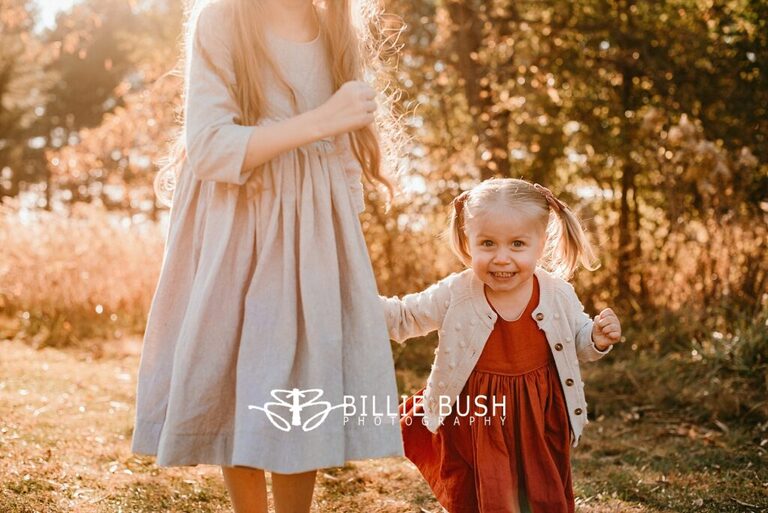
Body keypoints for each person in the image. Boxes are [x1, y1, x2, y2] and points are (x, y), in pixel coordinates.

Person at [130, 1, 404, 511]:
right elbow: (209, 146)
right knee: (242, 377)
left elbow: (345, 156)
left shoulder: (334, 26)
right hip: (236, 225)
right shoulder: (224, 19)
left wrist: (340, 248)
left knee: (300, 381)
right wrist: (320, 120)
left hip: (310, 234)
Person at [380, 178, 623, 513]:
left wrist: (595, 337)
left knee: (541, 494)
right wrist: (353, 301)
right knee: (488, 495)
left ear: (541, 245)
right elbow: (405, 316)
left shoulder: (556, 293)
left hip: (537, 418)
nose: (502, 258)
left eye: (518, 244)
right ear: (468, 242)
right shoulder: (457, 292)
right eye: (488, 243)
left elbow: (577, 341)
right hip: (478, 419)